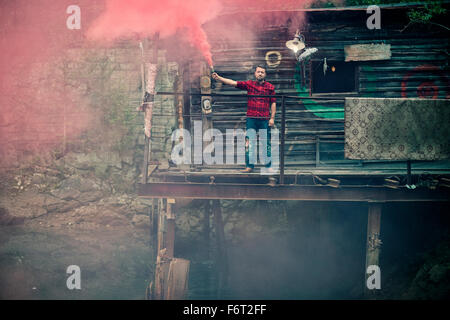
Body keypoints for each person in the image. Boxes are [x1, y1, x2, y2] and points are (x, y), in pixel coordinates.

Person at [212, 65, 276, 173]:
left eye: (262, 72)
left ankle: (268, 166)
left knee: (266, 143)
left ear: (265, 74)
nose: (260, 73)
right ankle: (249, 166)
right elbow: (233, 83)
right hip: (251, 118)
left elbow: (273, 103)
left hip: (265, 119)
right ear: (255, 74)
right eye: (258, 72)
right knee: (249, 143)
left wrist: (272, 118)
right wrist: (219, 78)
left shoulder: (270, 87)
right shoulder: (249, 84)